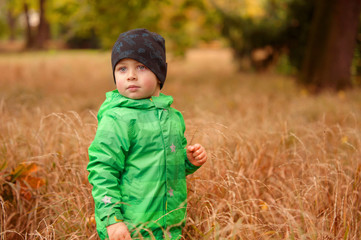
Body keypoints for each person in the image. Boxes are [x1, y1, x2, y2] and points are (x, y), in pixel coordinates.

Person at [87, 28, 207, 240]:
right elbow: (103, 171)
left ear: (159, 73)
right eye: (122, 69)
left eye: (141, 67)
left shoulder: (172, 117)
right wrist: (112, 220)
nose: (131, 75)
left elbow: (168, 166)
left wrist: (187, 161)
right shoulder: (117, 119)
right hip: (131, 228)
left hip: (169, 225)